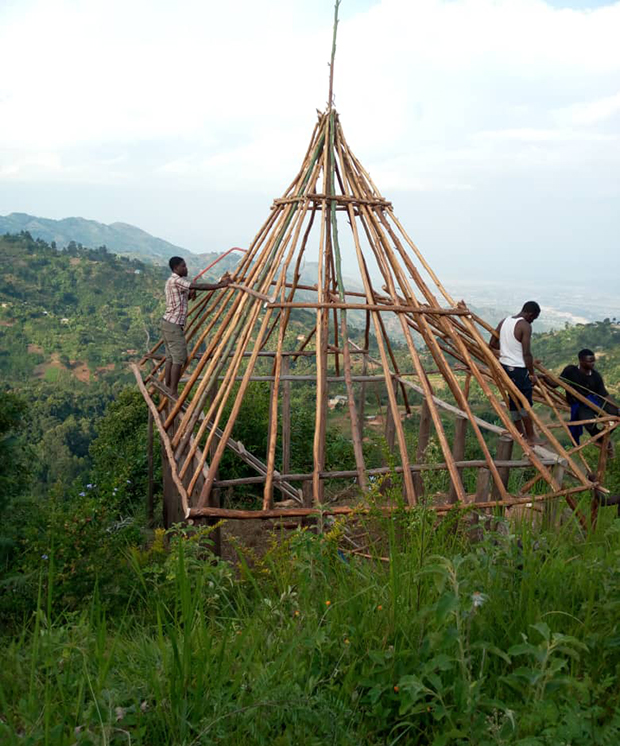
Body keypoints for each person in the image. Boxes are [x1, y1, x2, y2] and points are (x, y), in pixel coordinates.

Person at [161, 256, 231, 395]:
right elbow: (200, 286)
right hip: (173, 325)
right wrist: (220, 285)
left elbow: (182, 299)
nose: (186, 268)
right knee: (179, 358)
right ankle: (173, 391)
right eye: (183, 266)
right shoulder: (177, 280)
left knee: (170, 357)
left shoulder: (172, 281)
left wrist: (189, 295)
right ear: (176, 268)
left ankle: (167, 386)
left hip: (167, 323)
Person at [489, 301, 543, 445]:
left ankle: (520, 433)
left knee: (513, 400)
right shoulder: (525, 325)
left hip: (505, 368)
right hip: (519, 369)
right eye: (534, 318)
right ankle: (531, 437)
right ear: (530, 314)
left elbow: (492, 344)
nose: (533, 320)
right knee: (525, 403)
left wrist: (508, 349)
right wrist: (532, 374)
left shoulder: (504, 321)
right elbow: (526, 353)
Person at [548, 349, 619, 447]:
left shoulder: (595, 376)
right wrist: (543, 377)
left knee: (616, 414)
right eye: (589, 361)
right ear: (581, 361)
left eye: (593, 361)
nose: (592, 363)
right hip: (579, 403)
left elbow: (604, 395)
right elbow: (555, 384)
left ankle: (602, 438)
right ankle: (600, 439)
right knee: (589, 422)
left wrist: (616, 408)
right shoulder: (570, 370)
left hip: (594, 401)